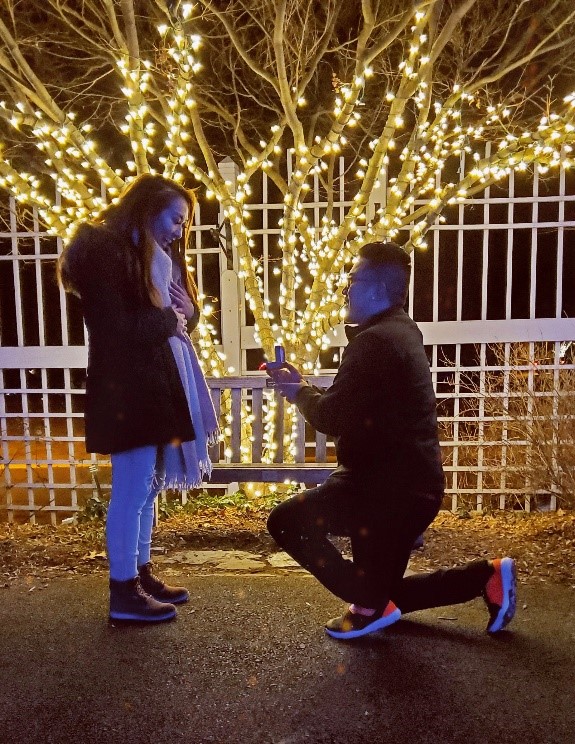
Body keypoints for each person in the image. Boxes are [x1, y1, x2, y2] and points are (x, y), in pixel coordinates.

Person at [265, 241, 516, 640]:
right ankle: (485, 577)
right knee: (384, 592)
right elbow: (352, 404)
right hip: (406, 488)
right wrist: (303, 386)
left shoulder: (375, 341)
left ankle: (369, 603)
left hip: (383, 494)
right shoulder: (400, 329)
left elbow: (332, 416)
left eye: (352, 279)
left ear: (378, 288)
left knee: (287, 522)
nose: (345, 288)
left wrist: (297, 392)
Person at [58, 174, 218, 623]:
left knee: (146, 487)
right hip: (126, 387)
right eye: (176, 219)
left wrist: (188, 312)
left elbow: (171, 317)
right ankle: (123, 591)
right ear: (148, 207)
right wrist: (170, 317)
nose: (179, 231)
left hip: (149, 384)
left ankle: (140, 573)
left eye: (184, 224)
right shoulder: (103, 250)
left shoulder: (143, 252)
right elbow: (118, 331)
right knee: (131, 490)